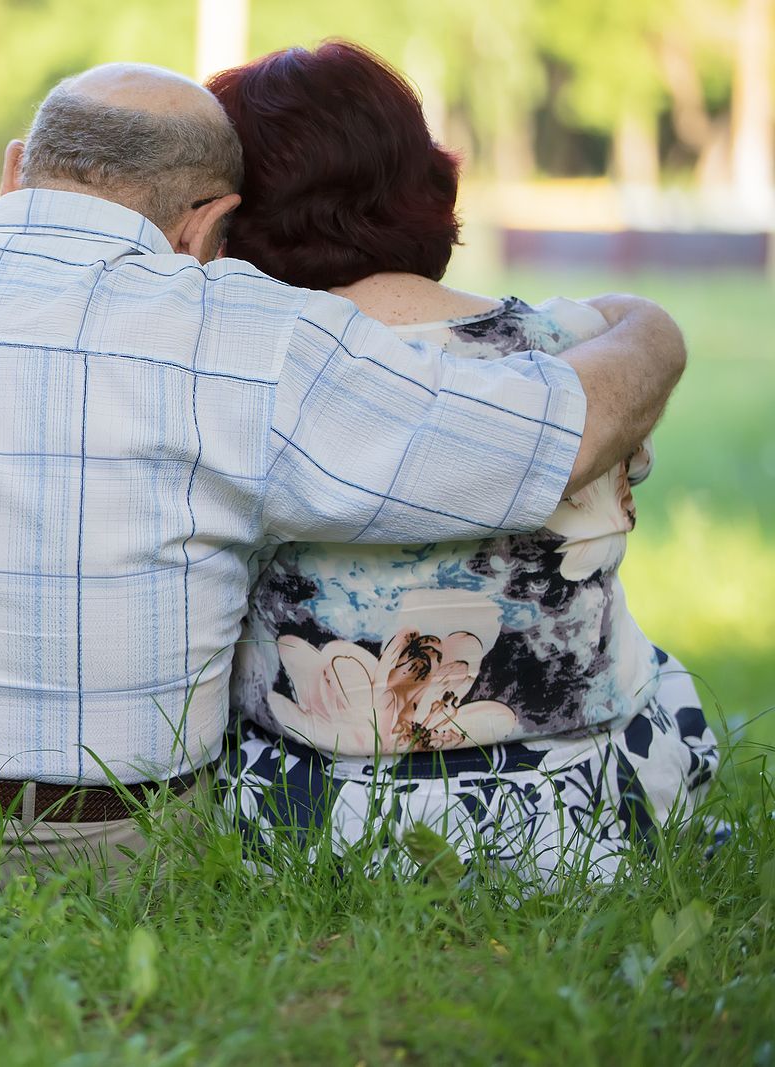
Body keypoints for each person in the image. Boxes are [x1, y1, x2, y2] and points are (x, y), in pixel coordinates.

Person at [0, 62, 687, 880]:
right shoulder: (254, 338)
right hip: (113, 857)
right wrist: (647, 329)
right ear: (207, 225)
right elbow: (544, 437)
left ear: (19, 167)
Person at [206, 42, 717, 883]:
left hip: (324, 822)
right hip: (591, 814)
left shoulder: (240, 375)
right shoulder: (580, 349)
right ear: (428, 183)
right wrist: (635, 318)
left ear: (238, 214)